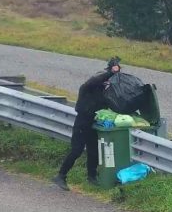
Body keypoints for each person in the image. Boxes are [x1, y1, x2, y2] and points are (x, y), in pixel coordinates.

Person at [52, 57, 122, 191]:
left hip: (93, 123)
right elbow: (95, 81)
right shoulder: (87, 87)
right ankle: (61, 176)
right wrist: (110, 73)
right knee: (76, 150)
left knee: (93, 151)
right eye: (105, 80)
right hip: (82, 122)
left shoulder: (103, 93)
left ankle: (92, 177)